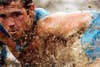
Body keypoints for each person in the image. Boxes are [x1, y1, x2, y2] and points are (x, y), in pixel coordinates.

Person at [0, 0, 49, 66]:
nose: (10, 24)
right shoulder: (1, 30)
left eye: (17, 15)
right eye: (3, 16)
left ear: (31, 10)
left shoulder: (47, 25)